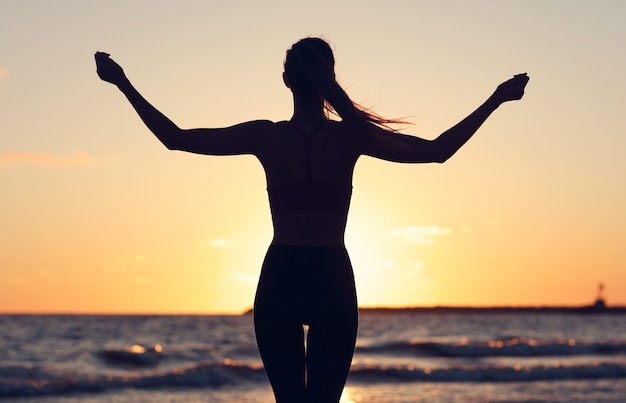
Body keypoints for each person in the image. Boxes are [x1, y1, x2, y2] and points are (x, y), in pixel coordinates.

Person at [95, 37, 529, 402]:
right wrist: (497, 98)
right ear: (330, 80)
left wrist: (122, 84)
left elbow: (175, 139)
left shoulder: (266, 135)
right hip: (330, 276)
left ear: (286, 80)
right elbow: (438, 150)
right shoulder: (350, 137)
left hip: (281, 273)